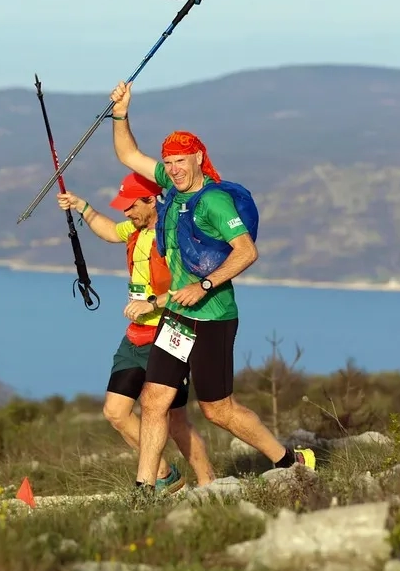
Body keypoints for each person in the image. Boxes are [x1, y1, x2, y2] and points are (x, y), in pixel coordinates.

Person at [104, 79, 316, 495]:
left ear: (199, 158)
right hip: (177, 318)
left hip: (213, 318)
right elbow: (127, 154)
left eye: (181, 161)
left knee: (219, 410)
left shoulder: (215, 201)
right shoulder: (170, 186)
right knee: (154, 400)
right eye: (169, 162)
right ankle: (145, 489)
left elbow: (246, 251)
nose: (174, 168)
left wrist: (204, 285)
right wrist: (120, 113)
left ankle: (289, 460)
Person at [56, 171, 216, 494]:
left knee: (176, 421)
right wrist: (81, 206)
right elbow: (110, 231)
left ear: (151, 200)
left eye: (131, 206)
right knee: (115, 412)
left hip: (169, 333)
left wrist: (151, 303)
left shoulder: (173, 235)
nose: (126, 212)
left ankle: (209, 484)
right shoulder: (136, 228)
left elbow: (191, 285)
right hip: (136, 335)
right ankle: (165, 474)